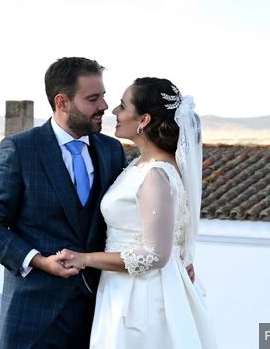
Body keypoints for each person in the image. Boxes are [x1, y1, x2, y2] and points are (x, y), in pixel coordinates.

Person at [0, 57, 127, 348]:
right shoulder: (21, 148)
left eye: (104, 96)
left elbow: (127, 220)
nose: (104, 106)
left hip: (98, 315)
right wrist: (39, 261)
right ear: (62, 102)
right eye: (93, 98)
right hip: (32, 318)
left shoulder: (112, 151)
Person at [59, 77, 217, 348]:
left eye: (122, 106)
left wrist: (84, 259)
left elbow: (155, 254)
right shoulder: (140, 165)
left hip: (140, 298)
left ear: (143, 120)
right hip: (123, 288)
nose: (114, 112)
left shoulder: (155, 174)